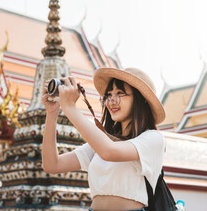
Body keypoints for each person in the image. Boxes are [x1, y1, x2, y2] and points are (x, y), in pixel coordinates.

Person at [42, 67, 166, 211]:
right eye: (108, 95)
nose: (112, 101)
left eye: (120, 93)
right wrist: (52, 113)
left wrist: (69, 107)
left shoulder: (153, 138)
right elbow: (52, 165)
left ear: (141, 99)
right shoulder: (102, 142)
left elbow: (109, 152)